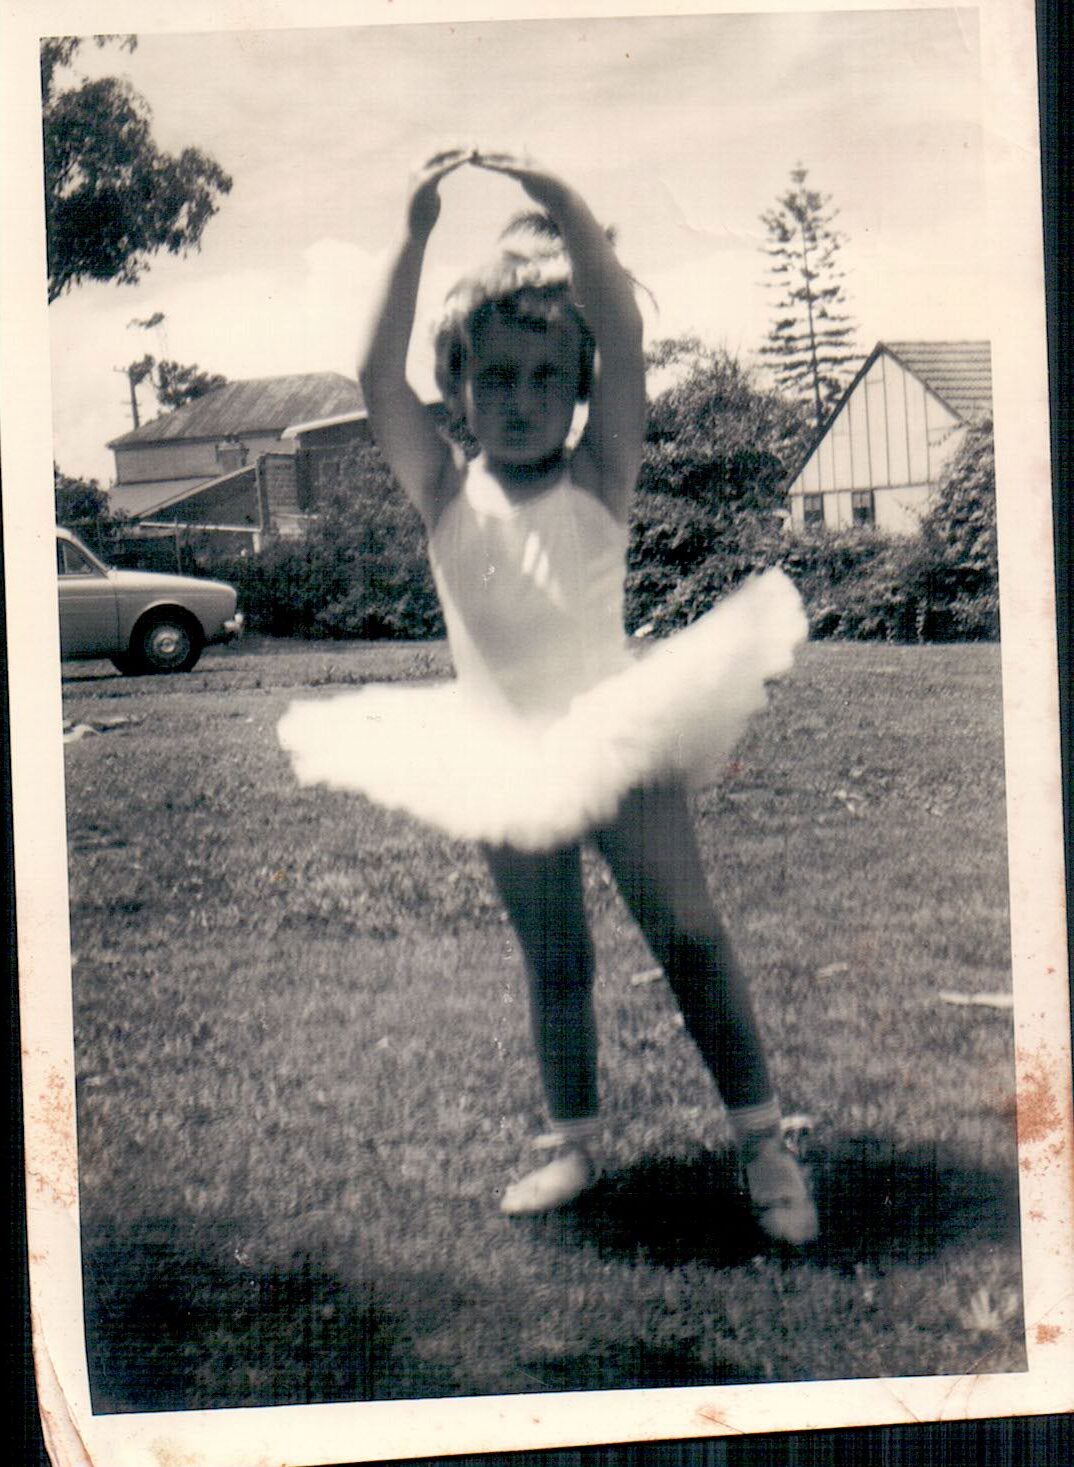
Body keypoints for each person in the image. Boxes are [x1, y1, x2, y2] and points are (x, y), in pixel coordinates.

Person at [278, 147, 818, 1244]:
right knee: (556, 956)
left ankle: (763, 1138)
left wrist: (566, 207)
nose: (519, 401)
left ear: (577, 391)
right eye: (494, 378)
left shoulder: (596, 476)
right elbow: (376, 380)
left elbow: (624, 343)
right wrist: (415, 231)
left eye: (543, 379)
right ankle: (573, 1147)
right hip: (500, 748)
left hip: (618, 734)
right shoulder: (441, 488)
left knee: (690, 934)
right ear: (459, 388)